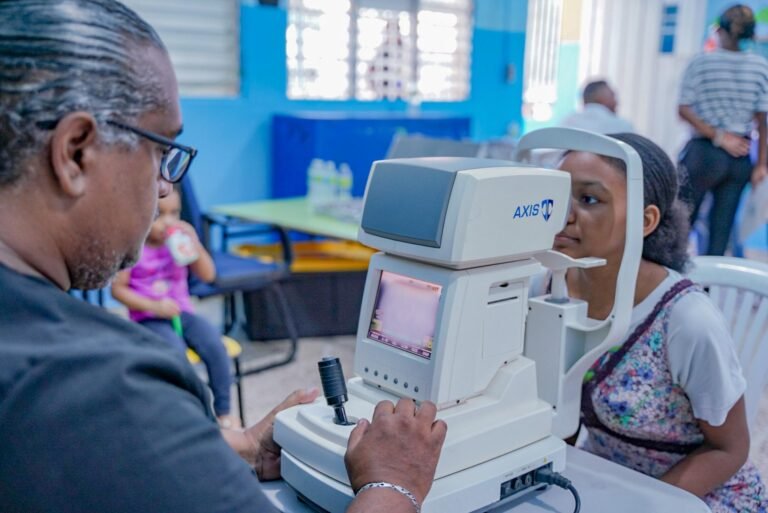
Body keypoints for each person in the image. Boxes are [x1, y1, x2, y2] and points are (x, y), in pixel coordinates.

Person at [0, 1, 446, 512]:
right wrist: (394, 482)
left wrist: (237, 448)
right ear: (77, 151)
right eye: (160, 150)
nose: (166, 183)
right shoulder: (103, 384)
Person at [538, 132, 766, 512]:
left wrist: (644, 502)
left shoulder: (686, 320)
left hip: (694, 496)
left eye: (589, 199)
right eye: (557, 195)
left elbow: (730, 448)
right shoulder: (546, 285)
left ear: (645, 220)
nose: (565, 214)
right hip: (607, 481)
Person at [111, 187, 238, 428]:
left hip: (182, 313)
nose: (167, 222)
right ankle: (190, 416)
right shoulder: (134, 247)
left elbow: (208, 275)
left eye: (174, 213)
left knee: (214, 344)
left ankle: (224, 413)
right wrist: (154, 306)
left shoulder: (178, 242)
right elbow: (118, 290)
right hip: (149, 318)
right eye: (158, 214)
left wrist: (196, 244)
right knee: (175, 354)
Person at [678, 4, 768, 256]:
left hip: (703, 153)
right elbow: (763, 121)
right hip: (740, 156)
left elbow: (683, 109)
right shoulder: (760, 66)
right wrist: (761, 164)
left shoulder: (701, 62)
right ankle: (708, 289)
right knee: (721, 232)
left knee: (682, 225)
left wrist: (719, 136)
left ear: (720, 30)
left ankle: (673, 285)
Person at [559, 80, 635, 134]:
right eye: (613, 96)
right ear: (600, 98)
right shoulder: (622, 126)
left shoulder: (567, 121)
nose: (617, 102)